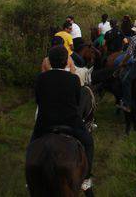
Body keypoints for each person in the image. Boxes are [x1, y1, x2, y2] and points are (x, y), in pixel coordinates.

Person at [31, 46, 94, 187]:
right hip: (70, 122)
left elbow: (38, 100)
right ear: (66, 62)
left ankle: (31, 180)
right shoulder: (74, 79)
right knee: (89, 143)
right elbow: (77, 102)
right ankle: (86, 178)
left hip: (45, 122)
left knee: (32, 145)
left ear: (49, 62)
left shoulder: (41, 78)